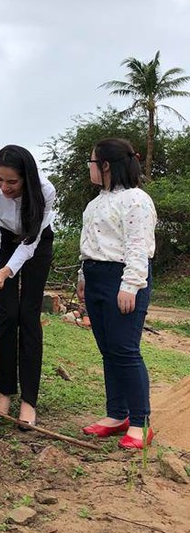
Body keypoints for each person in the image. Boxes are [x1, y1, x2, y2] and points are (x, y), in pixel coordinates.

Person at [78, 138, 157, 450]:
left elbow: (138, 245)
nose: (89, 167)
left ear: (106, 165)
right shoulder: (95, 203)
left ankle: (140, 422)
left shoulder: (136, 201)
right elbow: (89, 244)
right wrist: (83, 276)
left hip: (122, 277)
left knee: (125, 351)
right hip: (96, 276)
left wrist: (131, 285)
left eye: (92, 161)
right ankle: (116, 415)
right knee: (108, 350)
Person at [0, 145, 56, 427]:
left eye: (12, 182)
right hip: (5, 242)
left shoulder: (45, 192)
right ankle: (5, 394)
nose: (3, 187)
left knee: (28, 316)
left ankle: (28, 401)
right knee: (7, 315)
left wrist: (7, 271)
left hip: (36, 243)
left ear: (27, 178)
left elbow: (31, 242)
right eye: (0, 179)